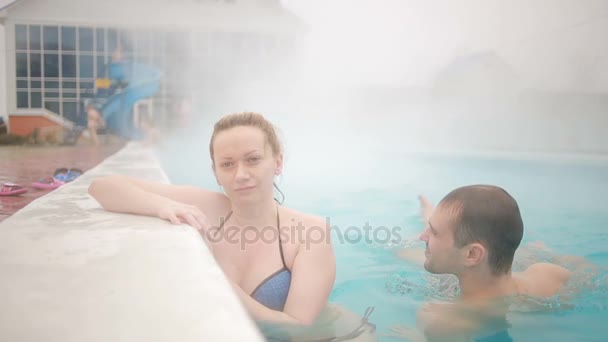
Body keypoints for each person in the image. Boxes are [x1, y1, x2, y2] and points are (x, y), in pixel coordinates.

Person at [89, 112, 336, 326]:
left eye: (253, 159)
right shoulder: (210, 208)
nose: (240, 174)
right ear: (216, 173)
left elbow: (299, 328)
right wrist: (164, 206)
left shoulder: (310, 233)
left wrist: (215, 278)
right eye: (227, 164)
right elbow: (103, 187)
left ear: (278, 162)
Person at [391, 185, 596, 341]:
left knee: (399, 251)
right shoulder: (548, 274)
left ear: (472, 254)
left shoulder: (443, 320)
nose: (421, 236)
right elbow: (589, 271)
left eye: (433, 231)